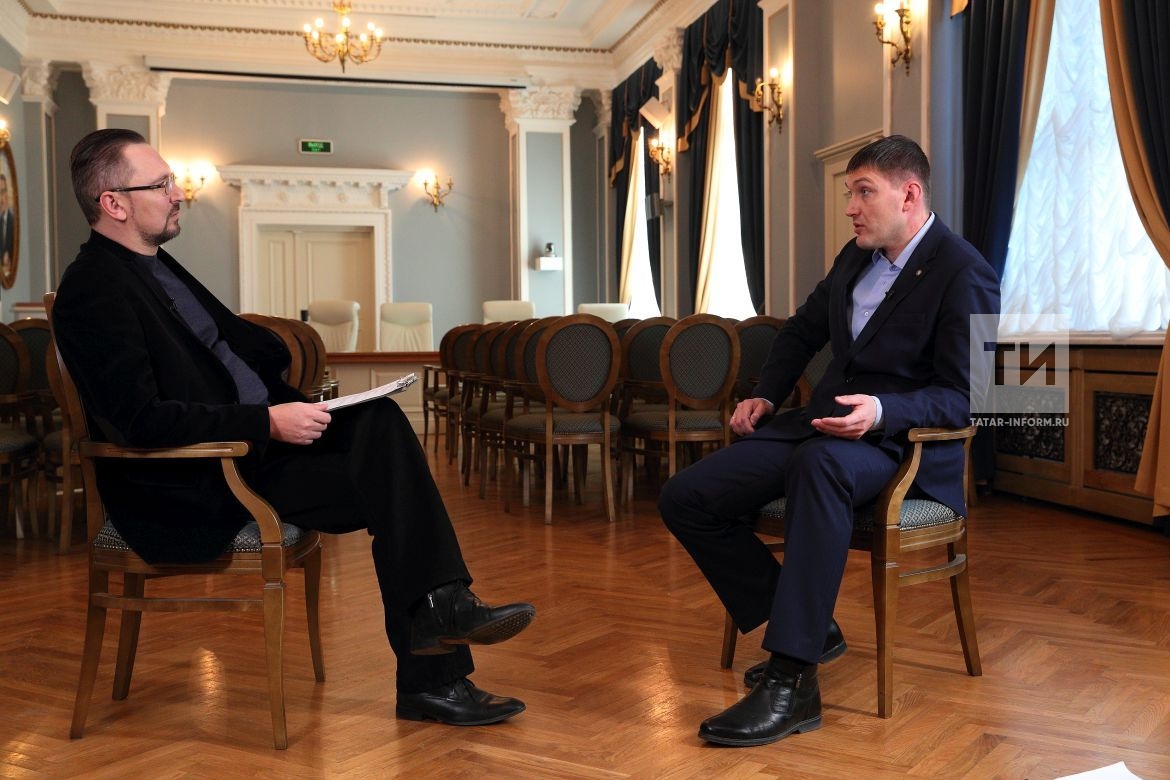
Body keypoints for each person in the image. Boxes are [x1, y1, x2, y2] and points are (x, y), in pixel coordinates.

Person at [53, 128, 536, 728]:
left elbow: (230, 350)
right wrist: (265, 421)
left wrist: (283, 405)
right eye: (161, 184)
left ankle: (444, 616)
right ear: (114, 203)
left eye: (173, 180)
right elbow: (139, 420)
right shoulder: (92, 289)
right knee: (394, 490)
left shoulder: (155, 266)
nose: (177, 194)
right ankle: (436, 660)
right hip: (200, 478)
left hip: (250, 454)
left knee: (380, 423)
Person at [659, 135, 1000, 747]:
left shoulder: (965, 272)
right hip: (818, 427)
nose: (851, 208)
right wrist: (767, 393)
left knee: (819, 467)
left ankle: (792, 681)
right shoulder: (855, 257)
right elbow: (800, 331)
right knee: (686, 496)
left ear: (909, 195)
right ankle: (812, 629)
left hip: (899, 448)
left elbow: (969, 396)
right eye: (850, 193)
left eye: (864, 192)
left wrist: (881, 410)